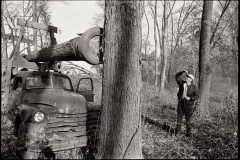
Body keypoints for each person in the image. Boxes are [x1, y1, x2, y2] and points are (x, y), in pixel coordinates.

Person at [175, 71, 199, 137]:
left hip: (189, 105)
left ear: (191, 79)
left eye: (188, 77)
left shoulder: (194, 87)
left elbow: (197, 96)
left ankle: (188, 134)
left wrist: (190, 98)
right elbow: (177, 77)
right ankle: (177, 133)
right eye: (187, 76)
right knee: (179, 118)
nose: (187, 78)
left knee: (188, 119)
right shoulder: (182, 83)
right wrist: (183, 72)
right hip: (181, 103)